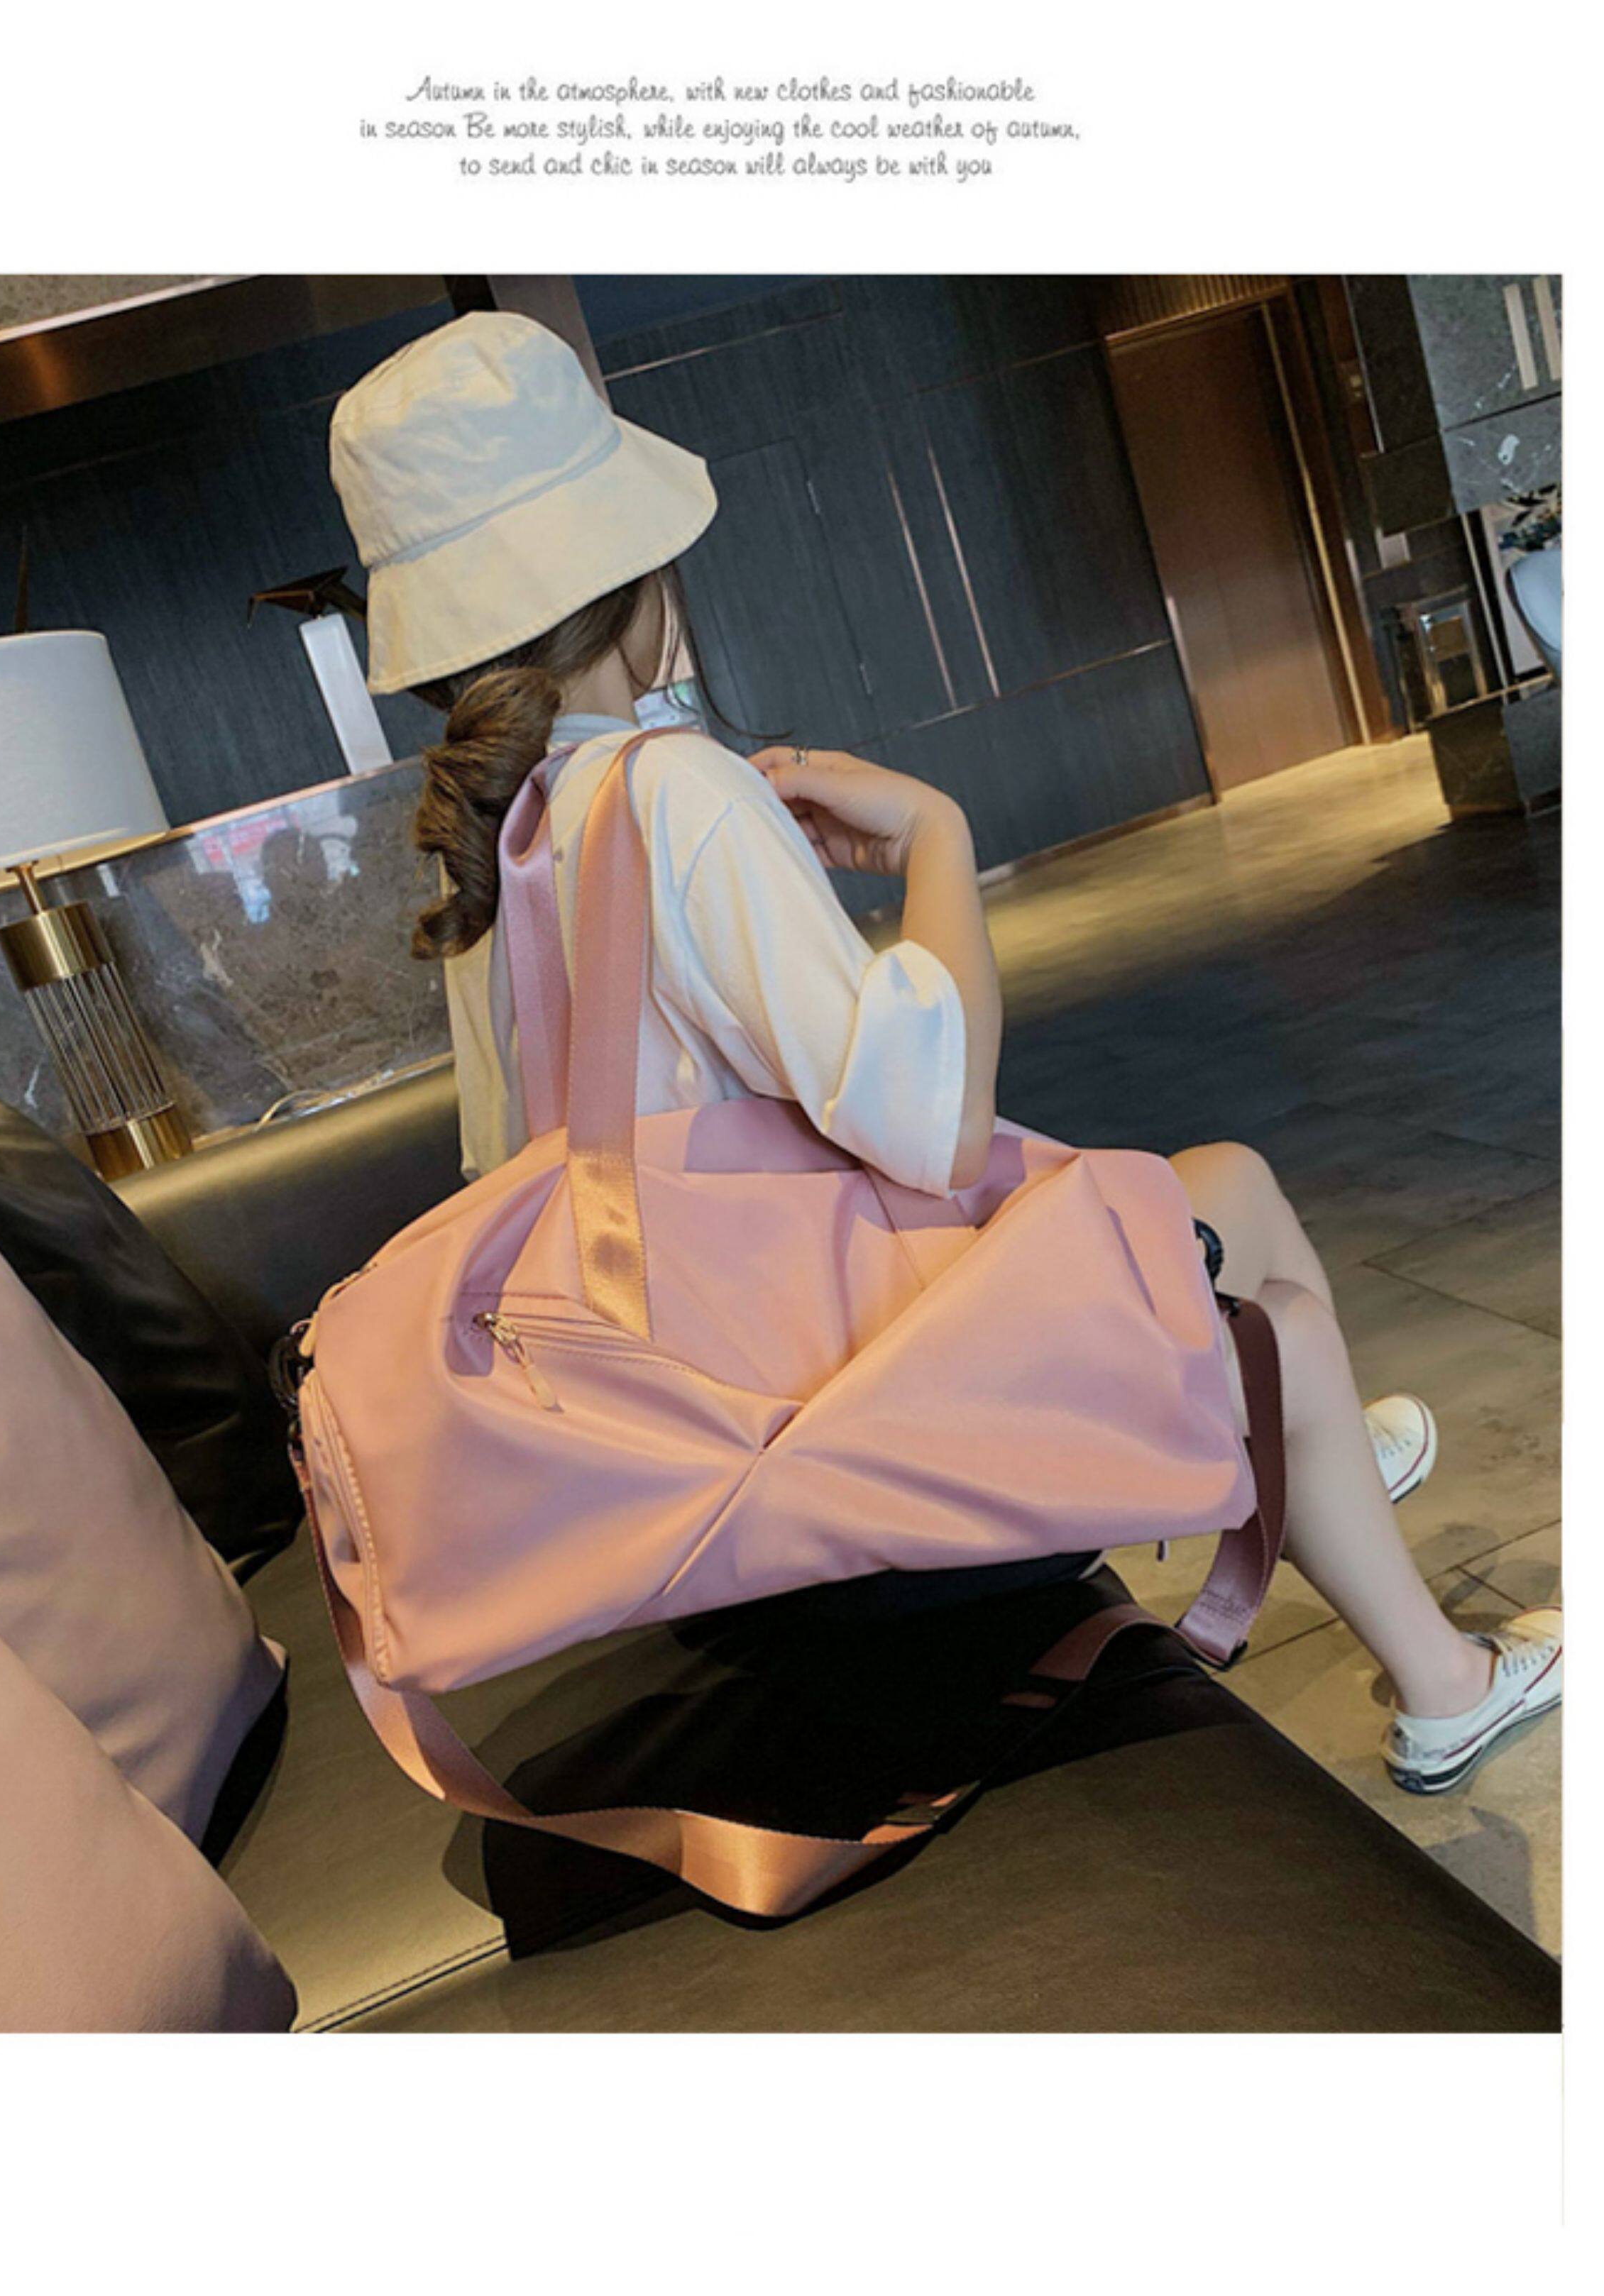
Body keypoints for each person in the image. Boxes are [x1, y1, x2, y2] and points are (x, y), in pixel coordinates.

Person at [328, 311, 1561, 1796]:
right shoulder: (675, 793)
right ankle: (1440, 1680)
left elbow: (513, 1170)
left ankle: (1319, 1460)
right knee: (1267, 1310)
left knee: (1225, 1185)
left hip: (685, 1416)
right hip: (826, 1435)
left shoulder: (498, 851)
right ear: (631, 579)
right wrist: (935, 840)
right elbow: (933, 1125)